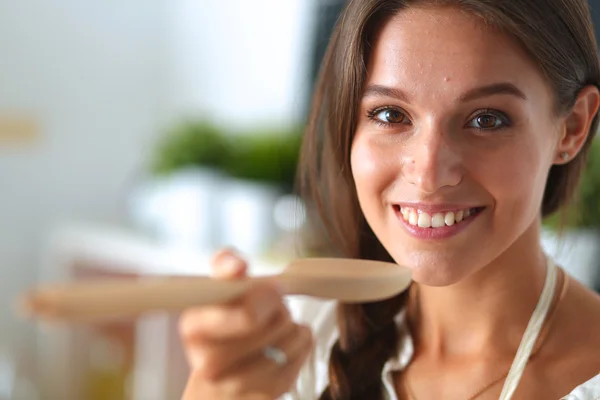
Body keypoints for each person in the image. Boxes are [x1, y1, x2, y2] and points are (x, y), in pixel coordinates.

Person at [178, 0, 600, 398]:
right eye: (391, 115)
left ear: (572, 127)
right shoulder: (296, 348)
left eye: (486, 119)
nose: (430, 174)